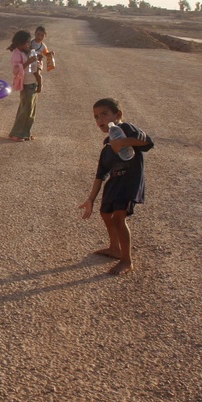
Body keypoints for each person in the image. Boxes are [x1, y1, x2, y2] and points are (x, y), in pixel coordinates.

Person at [78, 97, 155, 275]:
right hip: (114, 183)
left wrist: (123, 142)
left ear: (118, 115)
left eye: (104, 114)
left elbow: (148, 142)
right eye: (96, 117)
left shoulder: (126, 129)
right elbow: (100, 175)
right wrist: (90, 199)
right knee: (106, 213)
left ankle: (126, 261)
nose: (100, 120)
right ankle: (114, 248)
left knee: (119, 217)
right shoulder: (106, 146)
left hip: (129, 182)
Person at [6, 29, 42, 142]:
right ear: (19, 43)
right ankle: (16, 134)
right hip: (26, 85)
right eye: (26, 42)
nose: (28, 44)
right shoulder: (16, 54)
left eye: (29, 42)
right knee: (25, 111)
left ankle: (26, 133)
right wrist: (30, 61)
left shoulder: (27, 52)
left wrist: (36, 61)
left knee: (30, 111)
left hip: (33, 84)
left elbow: (33, 68)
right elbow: (17, 71)